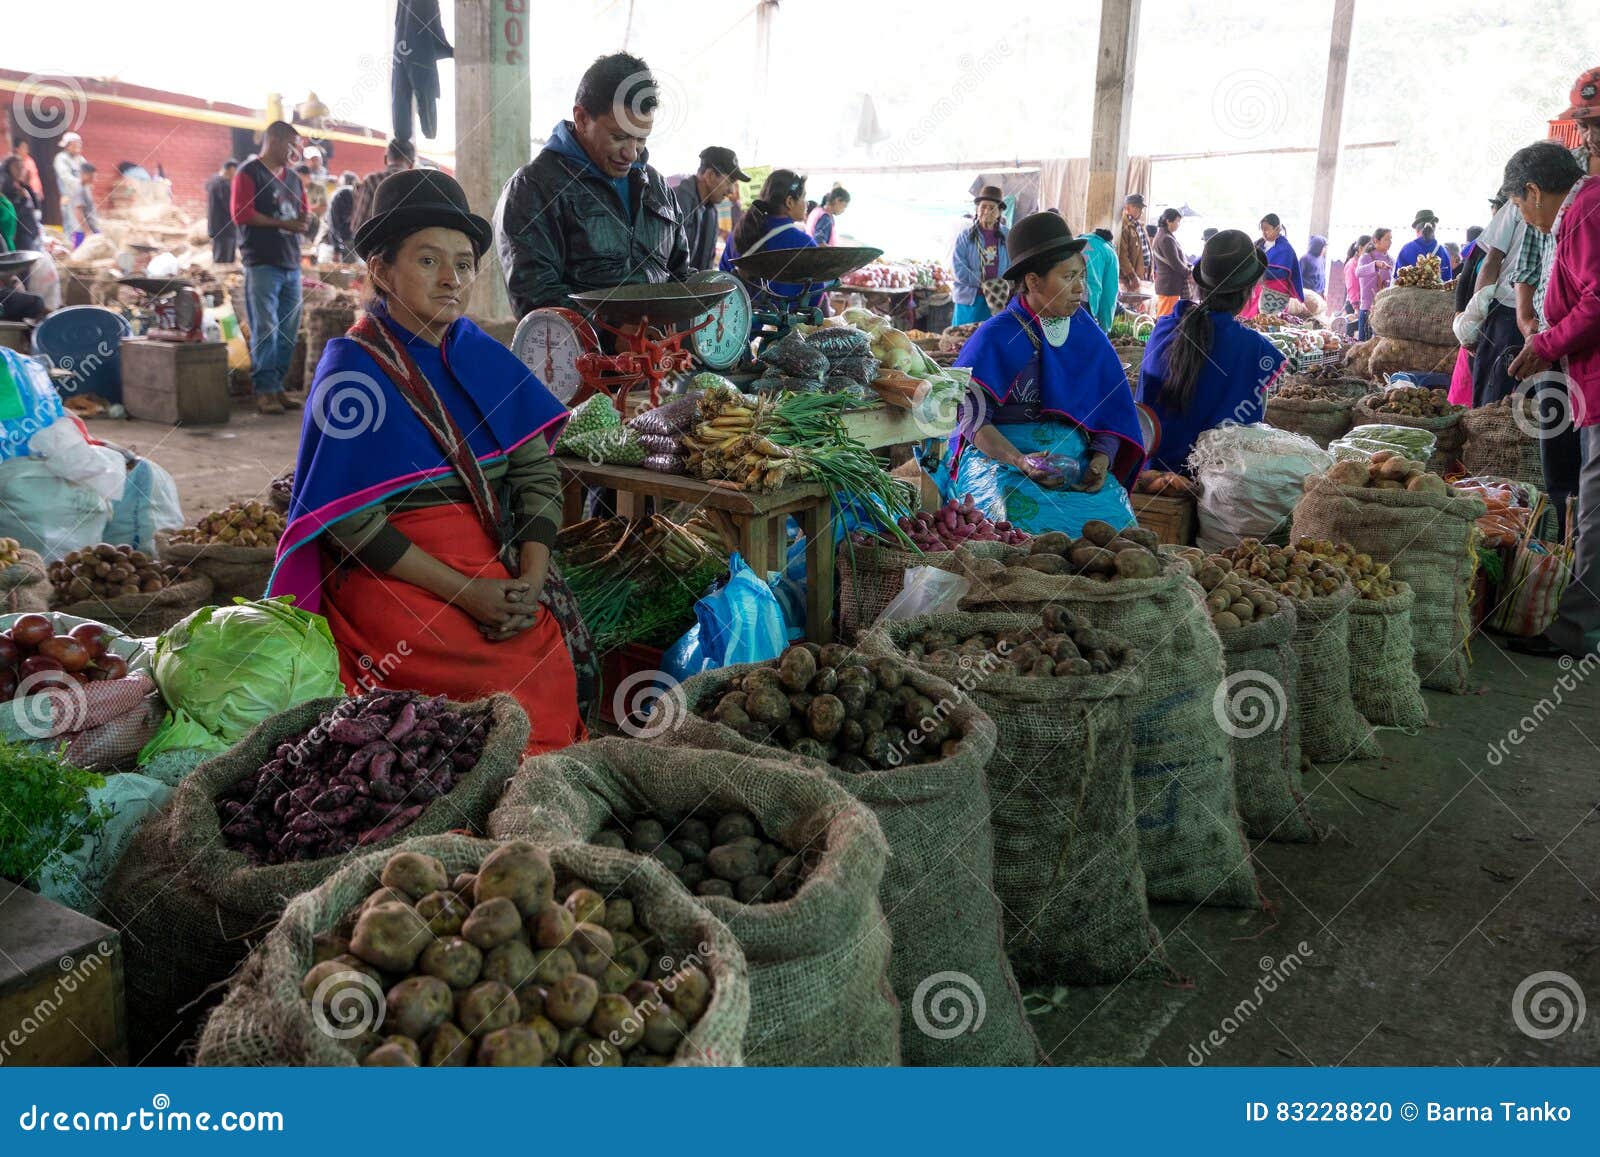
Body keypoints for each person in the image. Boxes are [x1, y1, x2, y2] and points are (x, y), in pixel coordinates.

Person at [267, 169, 583, 752]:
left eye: (463, 265)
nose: (451, 281)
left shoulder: (485, 357)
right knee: (457, 683)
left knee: (538, 655)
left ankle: (535, 789)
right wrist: (467, 594)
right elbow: (351, 523)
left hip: (492, 562)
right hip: (398, 577)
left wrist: (531, 583)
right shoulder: (351, 376)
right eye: (429, 261)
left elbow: (537, 474)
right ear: (381, 271)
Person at [946, 211, 1145, 536]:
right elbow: (971, 418)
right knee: (1019, 525)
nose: (1081, 288)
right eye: (1068, 277)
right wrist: (1020, 461)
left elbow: (1110, 411)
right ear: (1033, 281)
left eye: (1081, 276)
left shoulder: (1087, 333)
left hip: (1073, 463)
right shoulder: (996, 336)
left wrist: (1100, 460)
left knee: (1116, 528)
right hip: (999, 461)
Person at [495, 52, 690, 318]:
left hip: (661, 355)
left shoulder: (657, 187)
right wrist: (614, 333)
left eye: (641, 139)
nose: (632, 154)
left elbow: (680, 276)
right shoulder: (533, 188)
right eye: (619, 137)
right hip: (579, 358)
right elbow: (535, 296)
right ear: (582, 118)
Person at [1501, 142, 1599, 659]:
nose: (1524, 216)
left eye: (1519, 205)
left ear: (1534, 191)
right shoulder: (1582, 210)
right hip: (1586, 376)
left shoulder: (1585, 210)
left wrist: (1545, 344)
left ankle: (1576, 633)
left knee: (1595, 508)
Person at [1136, 230, 1286, 474]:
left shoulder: (1163, 329)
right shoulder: (1253, 349)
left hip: (1149, 473)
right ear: (1248, 291)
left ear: (1202, 285)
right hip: (1212, 483)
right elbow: (1250, 428)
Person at [231, 121, 311, 415]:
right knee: (266, 327)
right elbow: (241, 213)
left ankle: (277, 386)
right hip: (262, 263)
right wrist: (283, 224)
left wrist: (304, 222)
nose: (295, 151)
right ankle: (264, 390)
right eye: (292, 144)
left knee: (289, 329)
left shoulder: (293, 179)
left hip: (291, 262)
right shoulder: (248, 173)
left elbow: (304, 211)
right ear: (275, 140)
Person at [718, 169, 820, 308]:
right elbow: (813, 297)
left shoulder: (739, 232)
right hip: (780, 328)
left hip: (734, 324)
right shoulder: (804, 243)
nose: (806, 203)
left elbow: (723, 277)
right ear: (790, 201)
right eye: (803, 197)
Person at [672, 146, 747, 270]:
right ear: (711, 175)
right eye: (729, 182)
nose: (731, 191)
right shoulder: (675, 203)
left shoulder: (711, 210)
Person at [950, 185, 1008, 325]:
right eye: (983, 207)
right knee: (964, 339)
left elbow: (1013, 264)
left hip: (997, 299)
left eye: (992, 207)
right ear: (977, 209)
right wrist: (982, 281)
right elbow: (958, 268)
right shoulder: (965, 236)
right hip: (970, 301)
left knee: (991, 339)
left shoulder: (1007, 236)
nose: (987, 211)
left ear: (999, 212)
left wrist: (1002, 284)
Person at [1242, 213, 1303, 318]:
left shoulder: (1285, 249)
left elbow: (1282, 273)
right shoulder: (1258, 244)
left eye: (1267, 229)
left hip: (1274, 291)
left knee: (1262, 318)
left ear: (1277, 229)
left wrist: (1262, 274)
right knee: (1245, 311)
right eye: (1262, 230)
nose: (1264, 233)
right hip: (1256, 286)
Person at [351, 139, 416, 237]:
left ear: (385, 159)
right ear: (412, 164)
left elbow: (358, 226)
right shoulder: (419, 183)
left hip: (377, 248)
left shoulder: (371, 181)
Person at [1353, 229, 1394, 340]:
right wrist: (1375, 264)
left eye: (1391, 239)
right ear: (1376, 240)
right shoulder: (1367, 257)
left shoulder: (1390, 259)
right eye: (1386, 239)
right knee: (1364, 346)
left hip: (1383, 309)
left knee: (1379, 345)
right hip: (1368, 308)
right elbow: (1358, 272)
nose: (1390, 242)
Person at [1077, 225, 1120, 331]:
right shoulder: (1109, 252)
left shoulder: (1077, 240)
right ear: (1110, 242)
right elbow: (1108, 296)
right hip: (1085, 301)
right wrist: (1104, 330)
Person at [1150, 207, 1190, 318]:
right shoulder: (1166, 238)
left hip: (1169, 285)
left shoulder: (1164, 235)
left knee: (1166, 316)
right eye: (1177, 221)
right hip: (1169, 285)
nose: (1178, 224)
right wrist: (1188, 272)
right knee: (1165, 318)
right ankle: (1161, 335)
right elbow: (1175, 263)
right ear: (1168, 221)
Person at [1395, 210, 1453, 281]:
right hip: (1436, 291)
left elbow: (1397, 279)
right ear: (1434, 229)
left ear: (1416, 230)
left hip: (1412, 292)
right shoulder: (1442, 250)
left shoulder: (1406, 250)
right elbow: (1448, 280)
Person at [2, 157, 42, 254]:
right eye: (16, 167)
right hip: (20, 235)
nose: (20, 170)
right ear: (8, 169)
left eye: (22, 167)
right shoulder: (6, 189)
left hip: (31, 232)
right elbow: (11, 215)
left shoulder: (24, 186)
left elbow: (35, 208)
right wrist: (21, 199)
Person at [319, 171, 359, 263]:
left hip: (346, 241)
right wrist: (337, 249)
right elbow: (333, 223)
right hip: (333, 241)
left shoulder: (343, 194)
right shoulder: (342, 195)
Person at [205, 159, 238, 263]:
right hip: (224, 227)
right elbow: (229, 206)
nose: (236, 174)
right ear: (229, 170)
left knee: (222, 255)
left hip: (218, 227)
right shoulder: (222, 184)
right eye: (235, 171)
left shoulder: (214, 181)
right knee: (224, 259)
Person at [1116, 193, 1151, 291]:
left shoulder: (1139, 225)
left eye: (1141, 208)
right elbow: (1122, 254)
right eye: (1136, 207)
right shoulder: (1124, 225)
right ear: (1127, 207)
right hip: (1129, 279)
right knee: (1128, 303)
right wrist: (1131, 276)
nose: (1140, 211)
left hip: (1140, 275)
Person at [52, 131, 83, 235]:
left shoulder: (80, 159)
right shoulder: (61, 158)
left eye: (79, 144)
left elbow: (88, 173)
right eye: (75, 144)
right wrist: (80, 184)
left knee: (81, 225)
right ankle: (72, 248)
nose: (78, 146)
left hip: (80, 198)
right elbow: (65, 176)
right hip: (68, 197)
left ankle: (79, 247)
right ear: (67, 146)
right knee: (71, 226)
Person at [69, 162, 100, 247]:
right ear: (84, 175)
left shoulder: (86, 187)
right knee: (80, 257)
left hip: (92, 228)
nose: (94, 179)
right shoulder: (79, 189)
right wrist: (87, 231)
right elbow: (78, 212)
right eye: (92, 176)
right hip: (83, 232)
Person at [10, 138, 42, 202]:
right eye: (23, 147)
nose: (26, 150)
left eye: (26, 148)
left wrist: (40, 190)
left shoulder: (30, 160)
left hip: (36, 191)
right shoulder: (15, 163)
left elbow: (35, 176)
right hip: (26, 194)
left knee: (38, 211)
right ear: (17, 149)